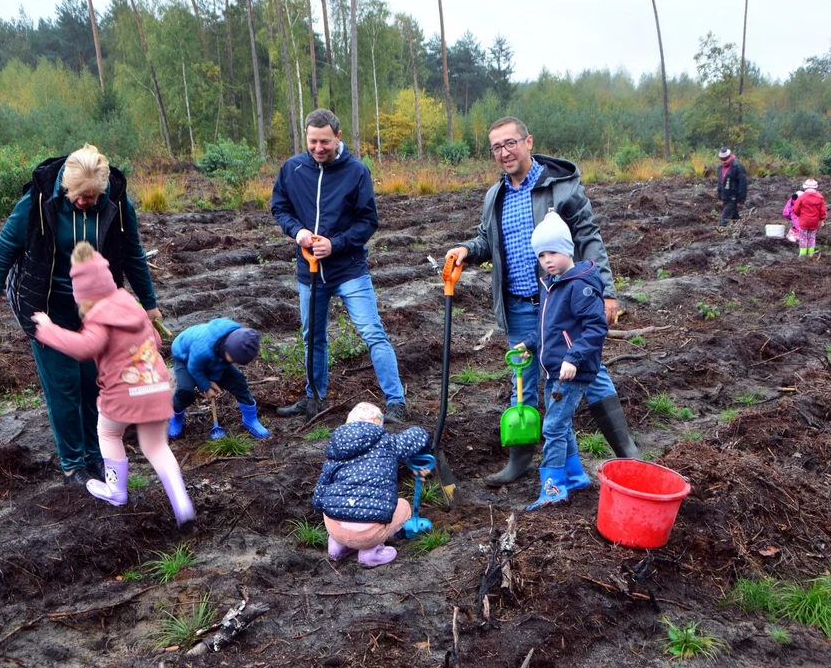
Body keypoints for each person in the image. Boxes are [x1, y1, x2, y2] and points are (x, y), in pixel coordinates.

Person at [445, 116, 638, 487]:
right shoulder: (495, 196)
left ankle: (628, 455)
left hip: (562, 301)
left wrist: (608, 291)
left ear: (528, 142)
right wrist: (467, 249)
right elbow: (489, 243)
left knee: (590, 372)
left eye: (510, 143)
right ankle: (525, 460)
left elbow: (589, 238)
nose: (504, 152)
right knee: (525, 380)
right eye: (496, 147)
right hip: (519, 305)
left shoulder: (561, 188)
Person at [0, 144, 162, 485]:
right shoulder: (38, 202)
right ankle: (73, 464)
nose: (84, 202)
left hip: (96, 311)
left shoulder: (118, 205)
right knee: (63, 389)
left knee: (94, 385)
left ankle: (96, 456)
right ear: (66, 186)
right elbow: (7, 243)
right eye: (79, 196)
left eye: (93, 197)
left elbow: (133, 253)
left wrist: (149, 304)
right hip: (47, 308)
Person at [32, 243, 194, 525]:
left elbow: (83, 348)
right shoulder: (131, 306)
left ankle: (116, 490)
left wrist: (48, 330)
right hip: (158, 386)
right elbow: (155, 342)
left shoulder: (99, 318)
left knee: (108, 434)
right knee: (156, 446)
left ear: (82, 295)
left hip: (124, 392)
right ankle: (182, 503)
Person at [271, 109, 408, 424]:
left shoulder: (356, 171)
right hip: (310, 273)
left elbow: (368, 221)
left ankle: (397, 402)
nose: (319, 148)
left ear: (338, 137)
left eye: (325, 142)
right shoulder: (292, 169)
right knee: (313, 336)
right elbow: (280, 207)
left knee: (372, 332)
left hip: (349, 271)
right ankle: (314, 398)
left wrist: (336, 244)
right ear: (306, 137)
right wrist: (298, 232)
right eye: (313, 141)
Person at [512, 211, 608, 509]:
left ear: (567, 249)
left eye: (552, 252)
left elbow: (596, 327)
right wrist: (529, 343)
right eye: (541, 255)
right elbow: (549, 326)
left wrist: (573, 358)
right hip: (555, 370)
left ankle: (553, 490)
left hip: (571, 370)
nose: (547, 260)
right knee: (561, 424)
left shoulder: (580, 285)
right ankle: (576, 476)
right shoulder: (552, 284)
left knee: (552, 427)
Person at [312, 402, 430, 568]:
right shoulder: (387, 444)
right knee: (402, 506)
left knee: (331, 503)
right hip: (368, 533)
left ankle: (337, 546)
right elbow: (417, 436)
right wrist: (427, 444)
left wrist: (321, 506)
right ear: (378, 426)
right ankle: (370, 552)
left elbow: (320, 494)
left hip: (335, 528)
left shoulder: (336, 451)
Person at [166, 319, 268, 440]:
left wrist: (213, 378)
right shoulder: (203, 348)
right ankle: (175, 416)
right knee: (185, 390)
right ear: (227, 348)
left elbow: (222, 363)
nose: (235, 363)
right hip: (185, 357)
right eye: (234, 360)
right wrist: (206, 386)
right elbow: (194, 368)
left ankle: (250, 420)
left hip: (213, 357)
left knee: (238, 380)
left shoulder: (237, 339)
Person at [793, 179, 827, 257]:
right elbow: (823, 211)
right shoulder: (820, 198)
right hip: (814, 222)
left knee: (803, 237)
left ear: (805, 187)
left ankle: (803, 254)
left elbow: (796, 209)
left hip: (804, 221)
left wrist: (799, 215)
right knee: (812, 237)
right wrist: (821, 220)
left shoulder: (801, 197)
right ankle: (811, 253)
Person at [717, 147, 748, 227]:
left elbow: (743, 185)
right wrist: (721, 197)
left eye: (725, 159)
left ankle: (721, 233)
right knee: (735, 217)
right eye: (722, 159)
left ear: (730, 157)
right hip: (726, 197)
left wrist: (741, 200)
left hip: (733, 198)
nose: (723, 161)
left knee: (724, 219)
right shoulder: (720, 168)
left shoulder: (738, 167)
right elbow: (720, 183)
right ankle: (742, 230)